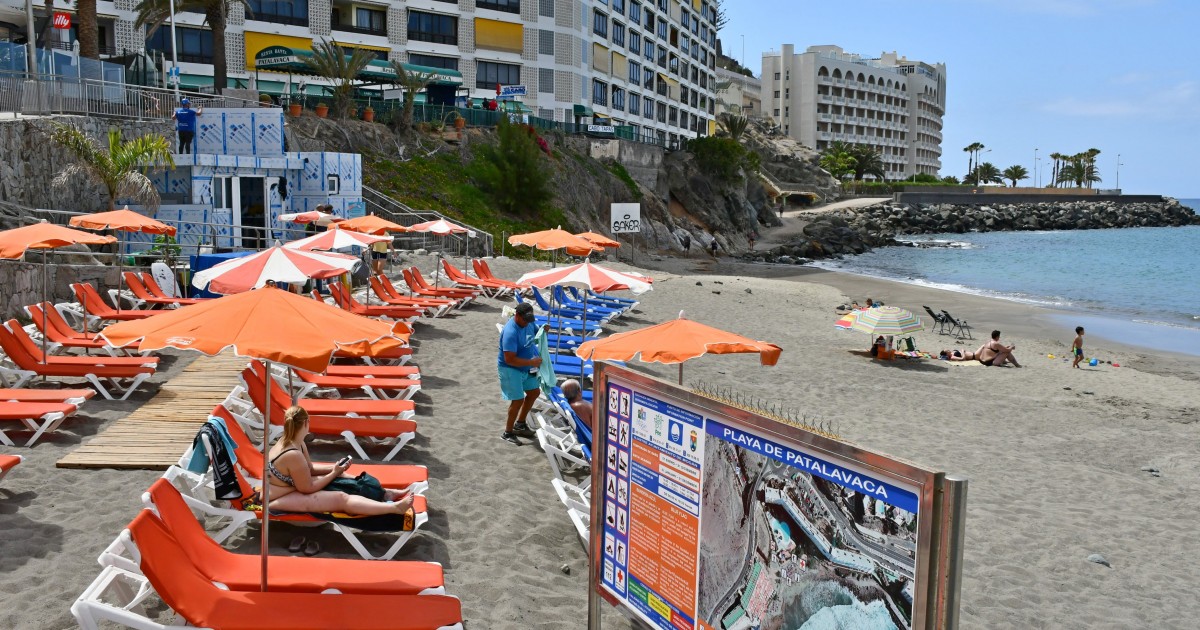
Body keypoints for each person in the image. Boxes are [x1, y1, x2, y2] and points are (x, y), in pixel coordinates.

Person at [266, 406, 415, 516]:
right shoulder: (292, 454)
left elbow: (309, 470)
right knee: (340, 499)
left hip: (292, 486)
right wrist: (332, 474)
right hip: (277, 497)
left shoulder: (295, 442)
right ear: (306, 423)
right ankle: (395, 508)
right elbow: (307, 488)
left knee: (341, 476)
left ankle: (385, 493)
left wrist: (335, 468)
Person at [498, 302, 543, 445]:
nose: (526, 323)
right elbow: (509, 359)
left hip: (525, 366)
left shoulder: (528, 323)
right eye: (524, 320)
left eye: (529, 320)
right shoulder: (510, 332)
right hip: (510, 368)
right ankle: (507, 432)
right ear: (517, 315)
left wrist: (544, 330)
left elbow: (537, 332)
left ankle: (520, 424)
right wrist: (531, 363)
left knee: (534, 392)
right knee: (518, 400)